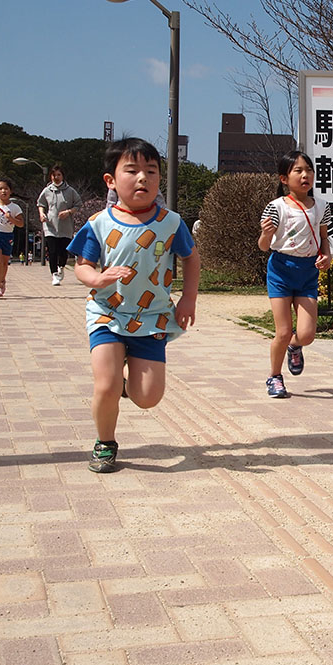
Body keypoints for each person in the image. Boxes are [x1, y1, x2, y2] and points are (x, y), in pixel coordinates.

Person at [67, 138, 200, 472]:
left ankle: (127, 386)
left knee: (148, 397)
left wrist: (188, 298)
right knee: (106, 384)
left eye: (151, 171)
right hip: (106, 314)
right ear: (111, 180)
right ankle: (105, 442)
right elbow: (81, 265)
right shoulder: (99, 222)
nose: (143, 178)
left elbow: (191, 258)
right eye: (132, 170)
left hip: (152, 317)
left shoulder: (171, 223)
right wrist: (95, 279)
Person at [257, 150, 332, 398]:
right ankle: (274, 377)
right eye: (298, 171)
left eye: (308, 170)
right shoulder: (276, 207)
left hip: (308, 272)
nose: (305, 175)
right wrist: (266, 234)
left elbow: (323, 237)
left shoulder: (321, 206)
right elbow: (264, 246)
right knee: (282, 331)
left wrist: (326, 255)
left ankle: (295, 346)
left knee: (307, 334)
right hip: (280, 270)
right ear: (284, 179)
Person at [37, 161, 82, 286]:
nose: (56, 177)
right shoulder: (47, 191)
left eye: (58, 175)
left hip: (65, 226)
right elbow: (41, 204)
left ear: (62, 176)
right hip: (50, 226)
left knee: (63, 251)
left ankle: (61, 267)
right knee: (52, 251)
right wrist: (42, 214)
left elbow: (78, 204)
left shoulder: (70, 191)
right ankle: (54, 274)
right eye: (53, 175)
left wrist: (68, 212)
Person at [0, 179, 24, 297]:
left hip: (8, 236)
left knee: (5, 263)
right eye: (0, 189)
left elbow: (21, 224)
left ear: (10, 191)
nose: (3, 191)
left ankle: (2, 281)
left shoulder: (15, 207)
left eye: (6, 188)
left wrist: (11, 219)